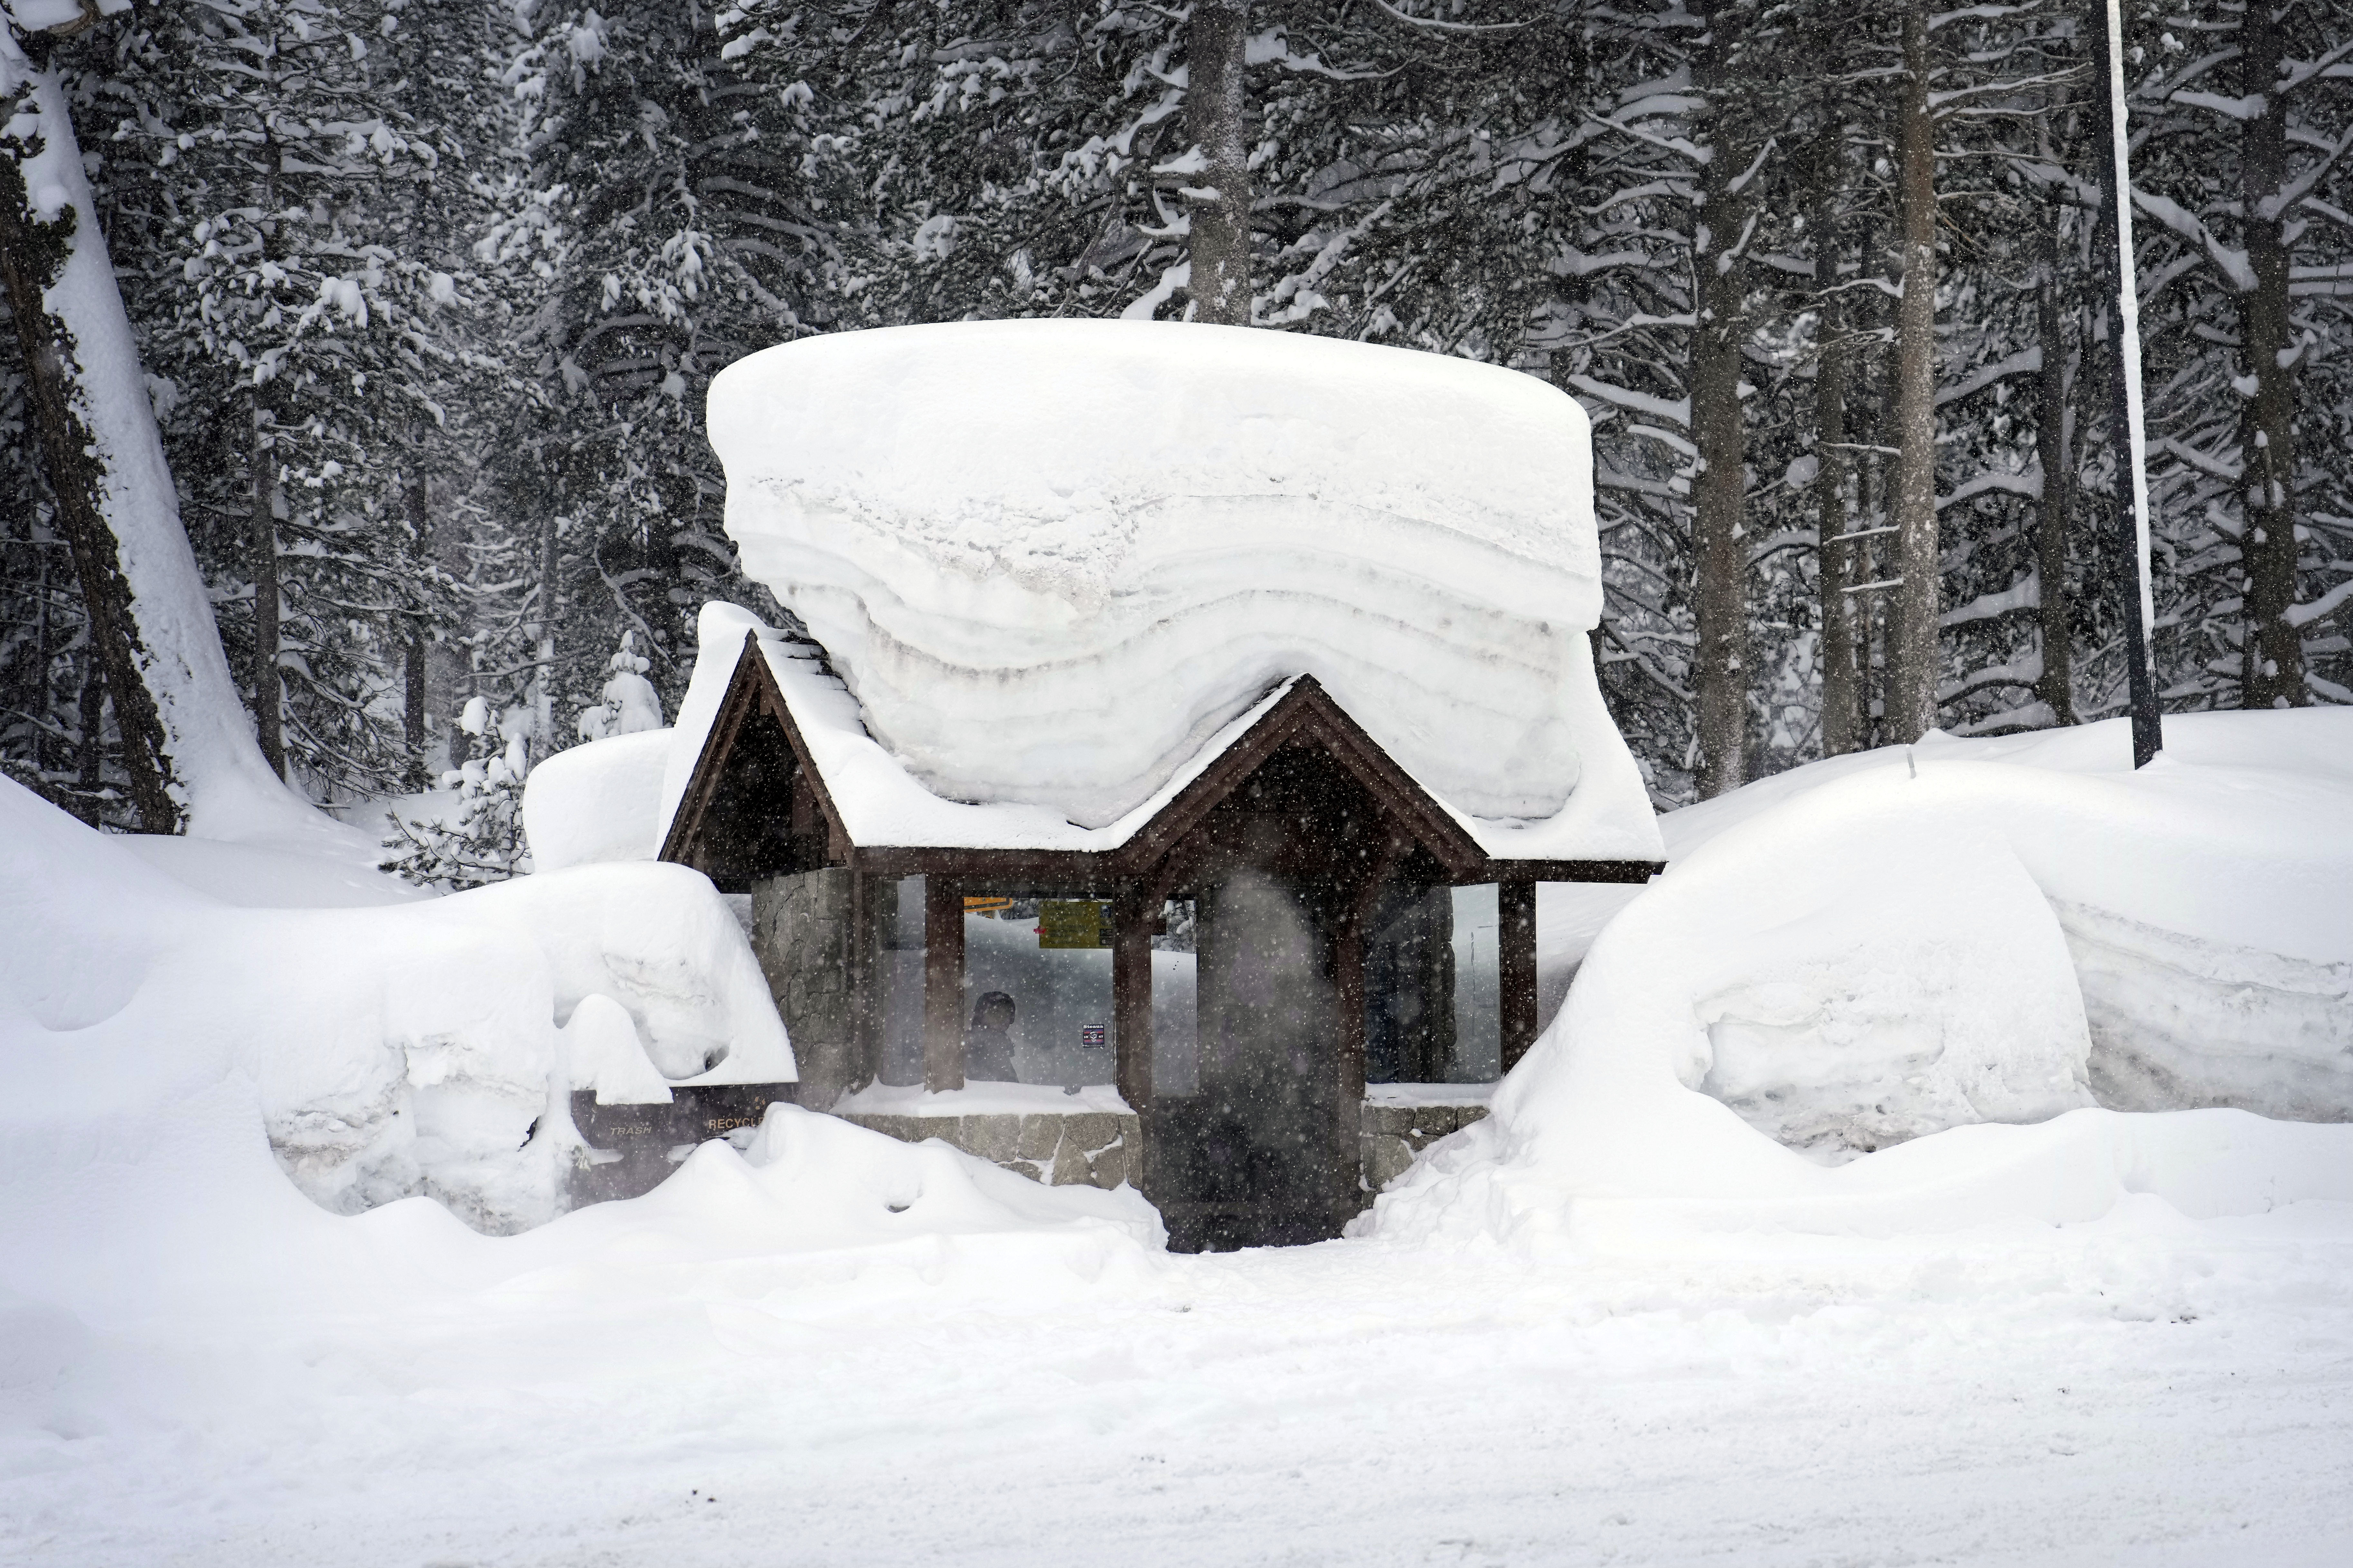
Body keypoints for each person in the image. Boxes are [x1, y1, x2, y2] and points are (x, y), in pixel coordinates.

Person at [965, 991, 1018, 1082]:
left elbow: (1012, 1089)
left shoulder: (999, 1045)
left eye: (1006, 1014)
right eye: (995, 1012)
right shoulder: (971, 1045)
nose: (1002, 1018)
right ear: (981, 1015)